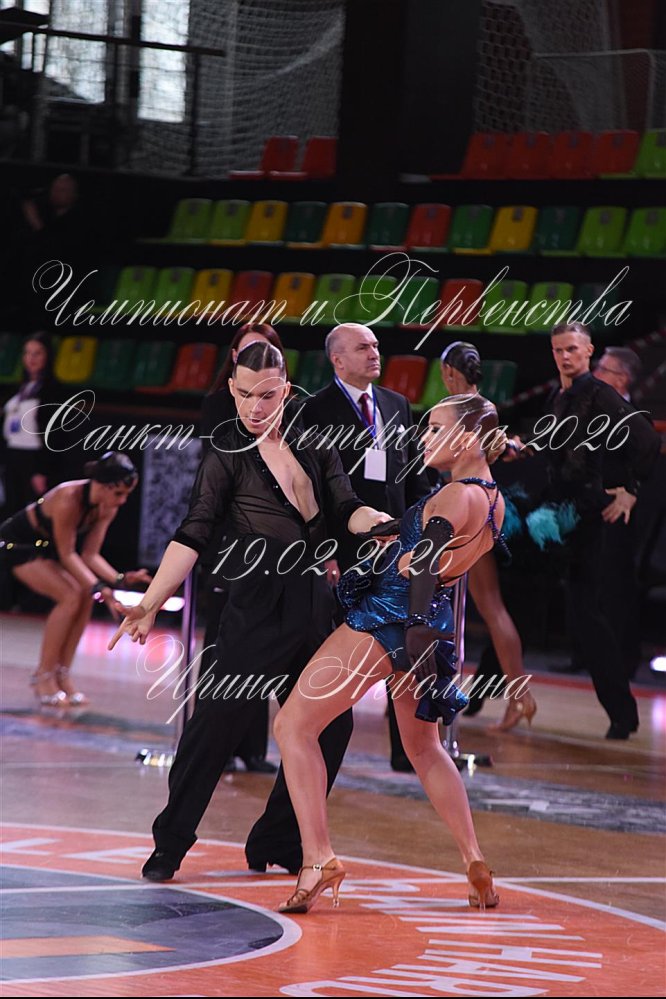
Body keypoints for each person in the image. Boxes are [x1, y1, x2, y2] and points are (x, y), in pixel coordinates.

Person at [108, 341, 392, 881]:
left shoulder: (314, 441)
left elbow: (347, 507)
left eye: (266, 395)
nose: (254, 407)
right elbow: (192, 533)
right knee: (213, 729)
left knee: (331, 726)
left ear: (286, 390)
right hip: (254, 606)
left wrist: (378, 523)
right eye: (243, 395)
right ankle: (171, 842)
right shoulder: (227, 453)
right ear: (231, 389)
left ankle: (277, 840)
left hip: (314, 604)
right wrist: (148, 603)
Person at [273, 393, 505, 914]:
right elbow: (435, 557)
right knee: (424, 749)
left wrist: (412, 610)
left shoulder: (454, 496)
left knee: (293, 726)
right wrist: (396, 539)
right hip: (430, 629)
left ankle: (318, 858)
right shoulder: (494, 499)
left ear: (468, 438)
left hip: (390, 622)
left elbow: (424, 562)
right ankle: (474, 860)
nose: (425, 438)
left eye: (437, 428)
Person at [516, 321, 660, 738]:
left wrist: (630, 491)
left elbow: (647, 441)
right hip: (555, 511)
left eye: (573, 349)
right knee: (525, 598)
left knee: (587, 614)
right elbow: (550, 442)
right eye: (559, 349)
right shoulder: (559, 395)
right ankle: (483, 695)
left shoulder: (601, 395)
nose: (565, 356)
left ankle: (623, 714)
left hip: (585, 516)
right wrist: (518, 447)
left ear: (588, 351)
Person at [300, 322, 432, 770]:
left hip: (398, 548)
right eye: (363, 347)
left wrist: (421, 532)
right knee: (340, 648)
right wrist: (324, 552)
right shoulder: (313, 409)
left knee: (403, 644)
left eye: (375, 345)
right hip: (345, 549)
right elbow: (313, 490)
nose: (374, 353)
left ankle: (407, 751)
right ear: (337, 360)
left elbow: (414, 475)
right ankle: (322, 741)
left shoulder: (396, 404)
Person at [198, 322, 289, 774]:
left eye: (265, 350)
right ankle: (209, 747)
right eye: (247, 350)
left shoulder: (291, 411)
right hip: (230, 543)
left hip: (277, 550)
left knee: (263, 649)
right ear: (233, 358)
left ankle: (253, 749)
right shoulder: (217, 406)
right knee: (222, 647)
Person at [0, 451, 151, 707]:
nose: (123, 500)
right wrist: (100, 586)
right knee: (70, 596)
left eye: (127, 494)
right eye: (118, 493)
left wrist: (120, 579)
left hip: (46, 549)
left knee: (86, 596)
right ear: (102, 485)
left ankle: (62, 674)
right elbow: (67, 553)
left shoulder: (107, 506)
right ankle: (43, 676)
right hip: (16, 546)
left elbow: (90, 555)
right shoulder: (68, 498)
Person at [439, 341, 536, 730]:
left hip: (466, 512)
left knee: (483, 607)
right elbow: (498, 449)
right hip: (482, 505)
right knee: (490, 607)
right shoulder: (486, 408)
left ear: (449, 372)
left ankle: (519, 696)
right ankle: (518, 696)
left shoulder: (455, 408)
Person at [1, 332, 62, 515]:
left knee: (33, 513)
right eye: (27, 353)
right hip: (12, 456)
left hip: (34, 459)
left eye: (37, 353)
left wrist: (42, 470)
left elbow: (55, 434)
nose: (31, 358)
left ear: (47, 356)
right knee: (11, 510)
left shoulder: (52, 390)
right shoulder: (20, 388)